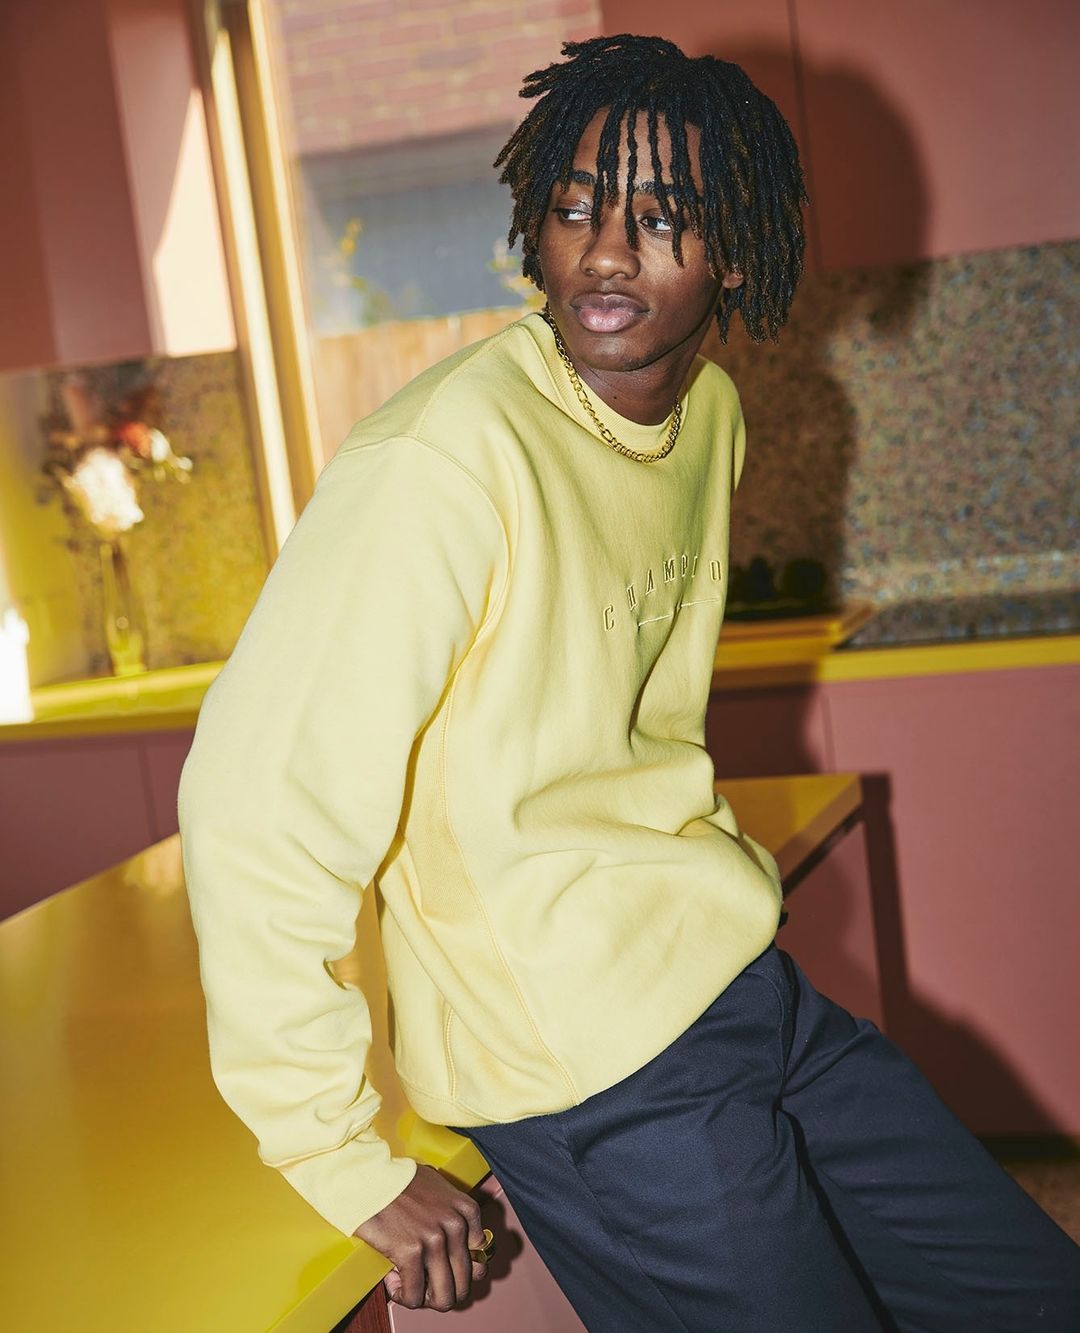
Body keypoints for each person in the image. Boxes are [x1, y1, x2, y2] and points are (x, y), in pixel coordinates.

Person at [179, 34, 1080, 1331]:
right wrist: (335, 1147)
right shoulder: (442, 463)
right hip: (590, 1071)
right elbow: (258, 809)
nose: (606, 252)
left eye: (661, 217)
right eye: (575, 209)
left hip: (735, 980)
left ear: (736, 250)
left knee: (1032, 1294)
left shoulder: (707, 417)